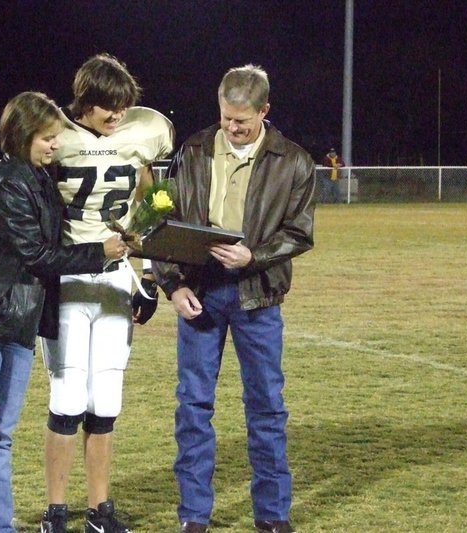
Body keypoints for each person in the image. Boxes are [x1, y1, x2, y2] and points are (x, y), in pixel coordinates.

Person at [0, 91, 128, 533]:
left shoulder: (38, 178)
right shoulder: (9, 183)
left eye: (57, 137)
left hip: (17, 321)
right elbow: (39, 255)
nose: (55, 145)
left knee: (0, 436)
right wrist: (100, 254)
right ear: (23, 135)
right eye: (47, 138)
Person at [152, 65, 315, 533]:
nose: (232, 127)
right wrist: (173, 283)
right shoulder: (194, 150)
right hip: (199, 294)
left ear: (265, 111)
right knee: (193, 407)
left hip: (258, 297)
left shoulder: (295, 162)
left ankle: (272, 514)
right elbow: (163, 221)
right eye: (226, 117)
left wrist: (253, 255)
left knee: (266, 407)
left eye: (242, 120)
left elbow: (300, 234)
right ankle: (194, 517)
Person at [39, 53, 174, 533]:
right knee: (67, 394)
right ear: (85, 101)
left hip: (117, 277)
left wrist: (151, 277)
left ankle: (100, 509)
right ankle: (56, 511)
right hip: (69, 275)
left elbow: (155, 203)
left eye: (122, 107)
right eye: (107, 107)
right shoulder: (56, 137)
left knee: (107, 399)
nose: (117, 116)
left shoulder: (136, 141)